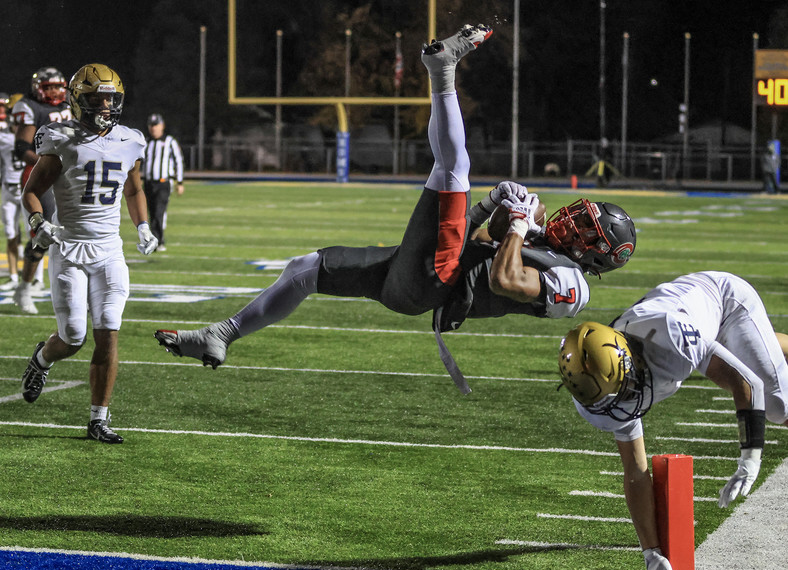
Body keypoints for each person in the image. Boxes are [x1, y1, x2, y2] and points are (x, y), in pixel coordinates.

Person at [154, 24, 636, 393]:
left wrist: (517, 227)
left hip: (436, 279)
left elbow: (503, 280)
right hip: (420, 277)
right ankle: (222, 333)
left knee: (454, 167)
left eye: (584, 228)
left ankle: (442, 70)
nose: (570, 220)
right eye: (580, 215)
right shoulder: (544, 250)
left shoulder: (572, 286)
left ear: (594, 253)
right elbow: (475, 243)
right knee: (304, 268)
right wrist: (493, 206)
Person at [557, 271, 788, 570]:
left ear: (631, 359)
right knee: (758, 363)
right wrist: (651, 553)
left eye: (623, 392)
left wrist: (750, 458)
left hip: (724, 303)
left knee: (778, 408)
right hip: (693, 320)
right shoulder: (597, 396)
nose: (620, 405)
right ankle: (762, 343)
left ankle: (760, 338)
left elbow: (746, 383)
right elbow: (635, 472)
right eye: (609, 400)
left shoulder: (670, 339)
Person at [20, 63, 158, 444]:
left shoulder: (130, 139)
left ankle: (99, 418)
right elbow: (31, 191)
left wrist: (143, 226)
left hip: (109, 250)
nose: (105, 105)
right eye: (97, 98)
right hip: (69, 247)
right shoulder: (60, 137)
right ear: (78, 100)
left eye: (111, 98)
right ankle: (43, 358)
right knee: (74, 335)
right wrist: (38, 222)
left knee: (109, 332)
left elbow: (133, 189)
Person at [11, 67, 73, 314]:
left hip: (67, 175)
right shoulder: (28, 107)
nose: (55, 91)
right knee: (44, 235)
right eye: (49, 87)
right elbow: (21, 148)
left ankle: (70, 288)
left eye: (58, 86)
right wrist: (48, 164)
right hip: (41, 177)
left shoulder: (69, 105)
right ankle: (24, 288)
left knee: (74, 232)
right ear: (38, 88)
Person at [142, 113, 184, 252]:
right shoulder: (146, 142)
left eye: (156, 125)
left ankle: (157, 241)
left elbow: (179, 161)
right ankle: (157, 240)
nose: (153, 129)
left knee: (159, 212)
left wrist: (180, 182)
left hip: (163, 182)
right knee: (152, 212)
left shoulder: (170, 141)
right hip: (148, 183)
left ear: (162, 126)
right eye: (151, 126)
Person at [0, 94, 26, 291]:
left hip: (27, 191)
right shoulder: (4, 136)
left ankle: (35, 279)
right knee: (10, 234)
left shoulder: (31, 136)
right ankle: (14, 277)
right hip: (8, 190)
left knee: (34, 236)